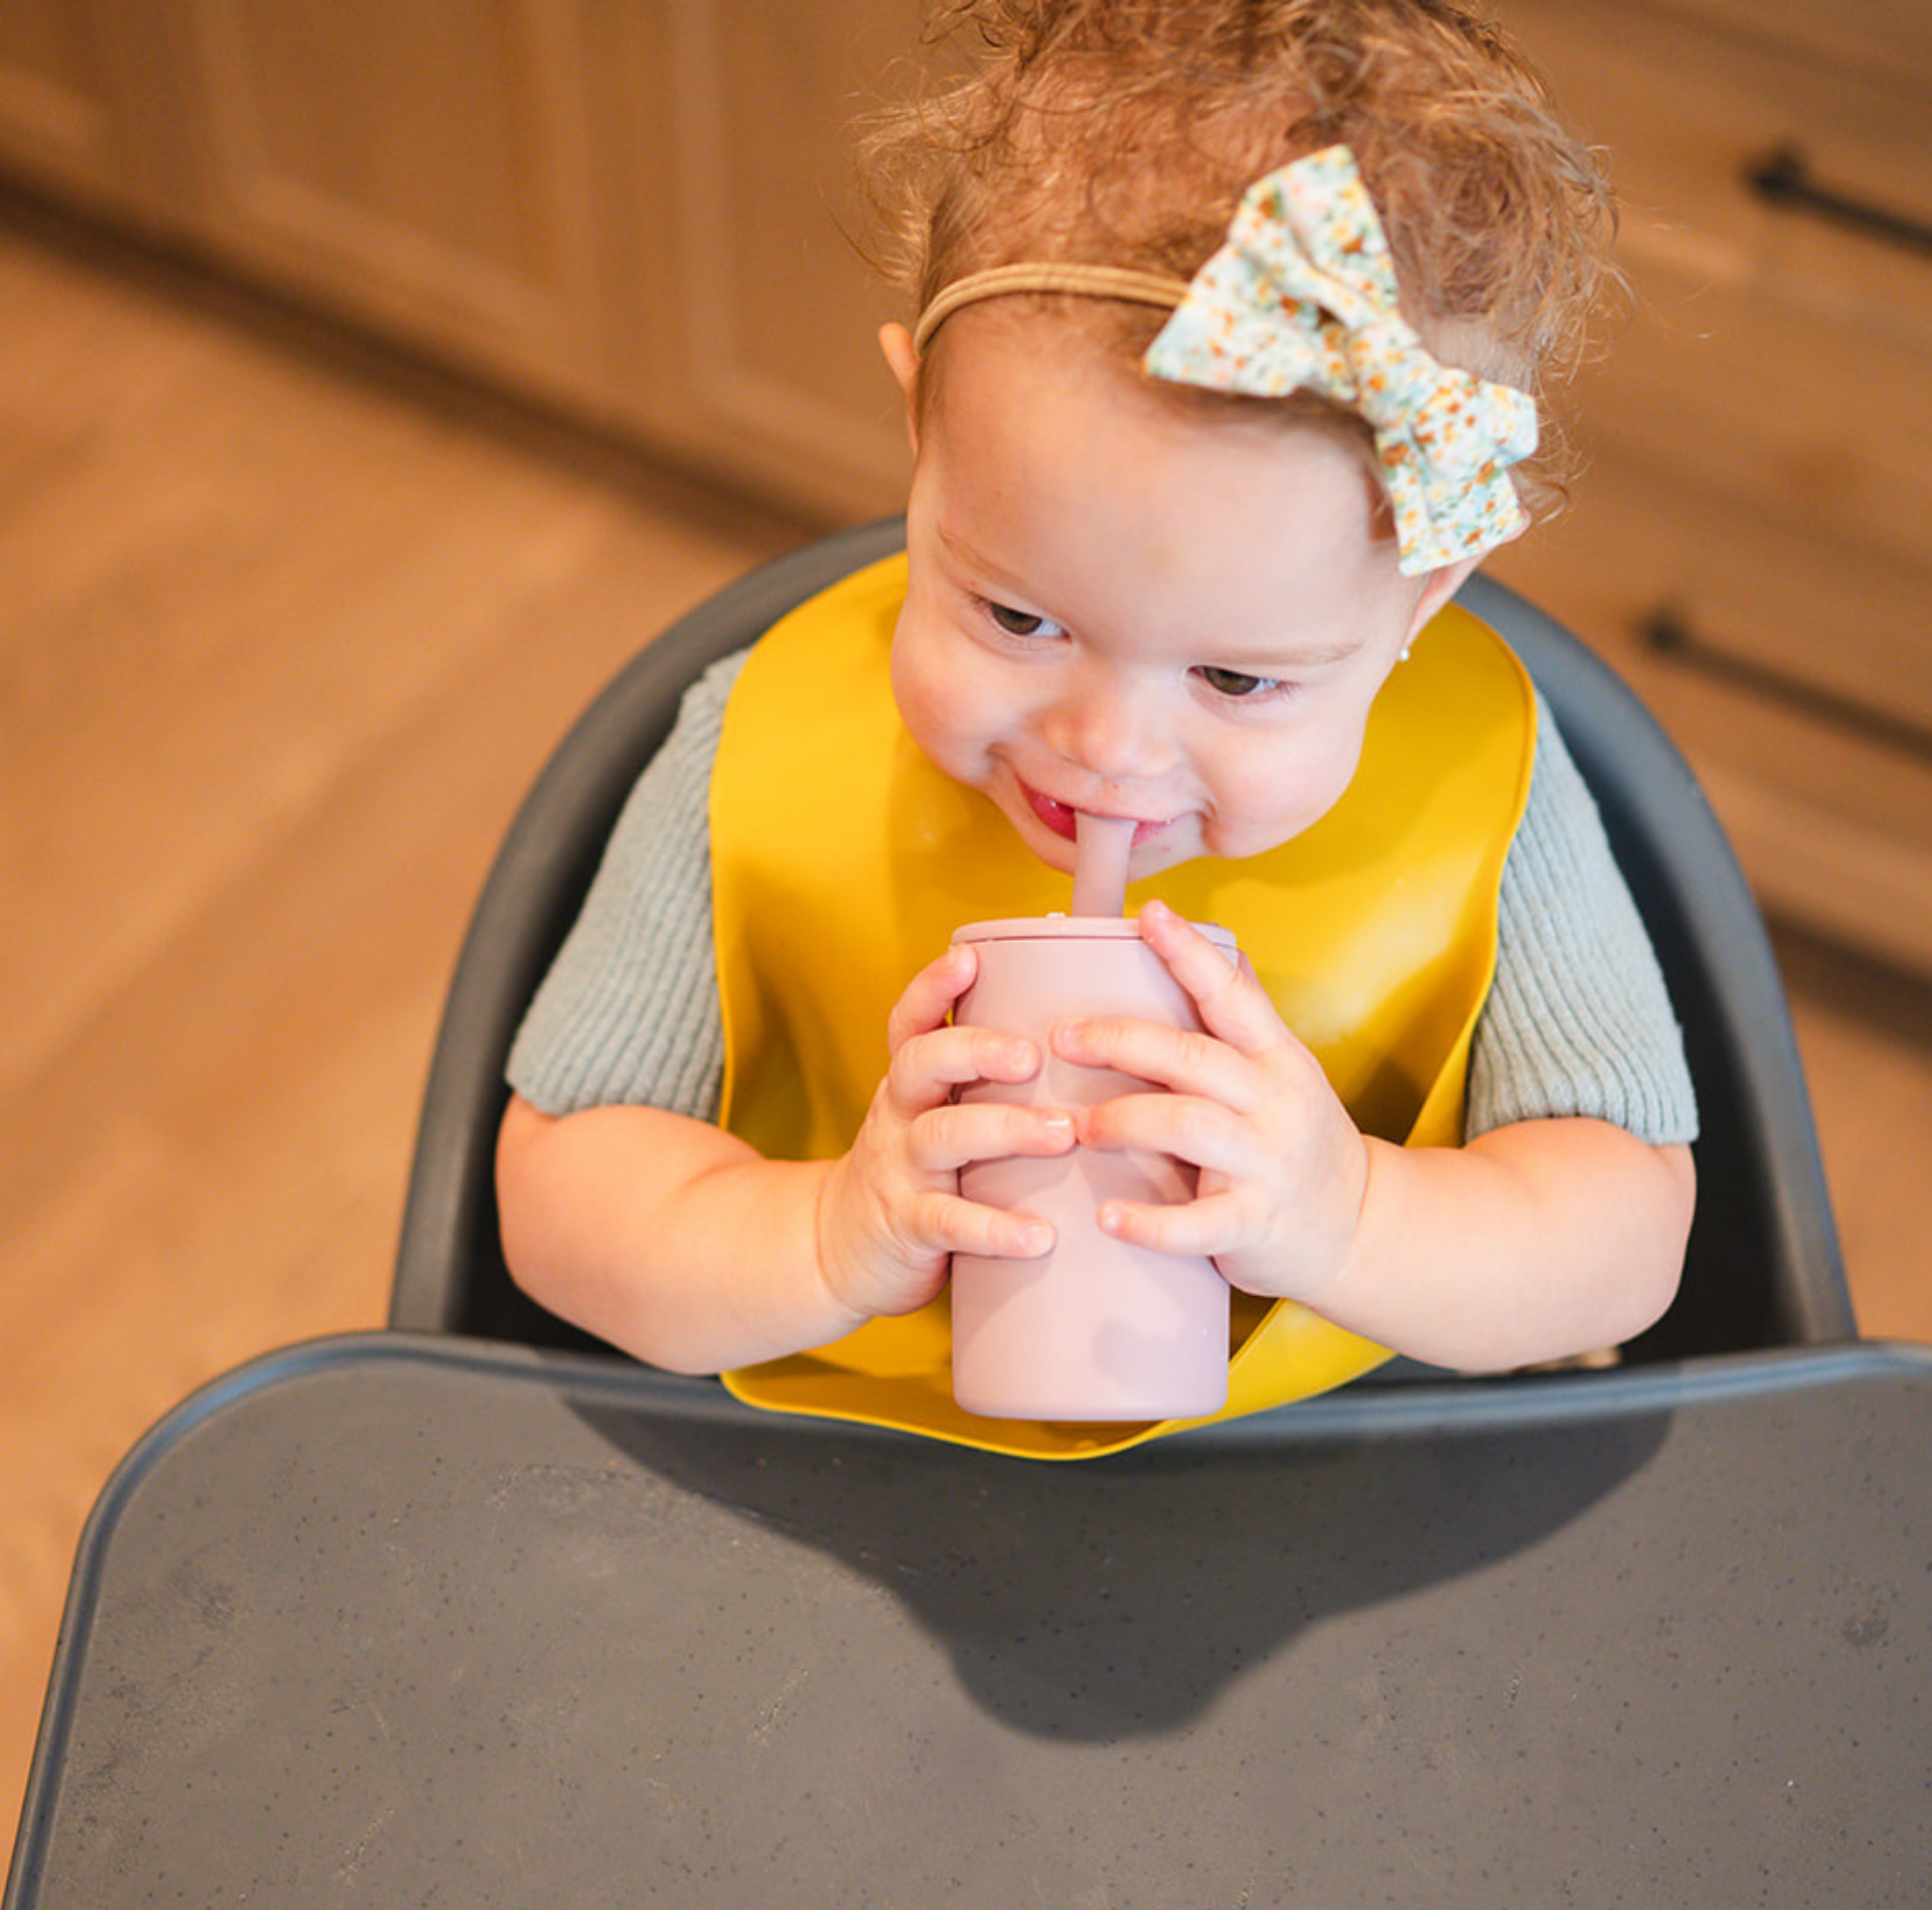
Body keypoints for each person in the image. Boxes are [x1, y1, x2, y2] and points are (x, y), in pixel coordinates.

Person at [495, 0, 1698, 1458]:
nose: (1106, 750)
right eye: (1017, 619)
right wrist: (824, 1234)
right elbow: (557, 1200)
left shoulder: (1493, 796)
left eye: (1240, 682)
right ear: (921, 442)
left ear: (1418, 600)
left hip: (1348, 1476)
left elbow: (1627, 1238)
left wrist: (1349, 1218)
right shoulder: (753, 747)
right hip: (839, 1468)